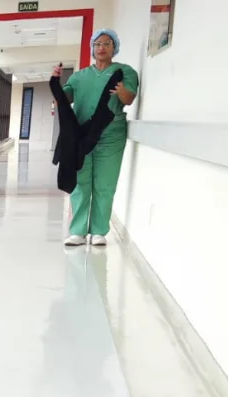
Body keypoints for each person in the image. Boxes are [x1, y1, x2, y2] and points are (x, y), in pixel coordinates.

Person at [52, 29, 139, 247]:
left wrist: (120, 91)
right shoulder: (79, 76)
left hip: (111, 136)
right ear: (92, 48)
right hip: (82, 137)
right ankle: (78, 231)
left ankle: (99, 231)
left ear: (114, 48)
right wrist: (55, 82)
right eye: (97, 44)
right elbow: (65, 97)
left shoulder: (125, 71)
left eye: (107, 44)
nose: (101, 48)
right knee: (81, 183)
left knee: (105, 184)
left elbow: (129, 99)